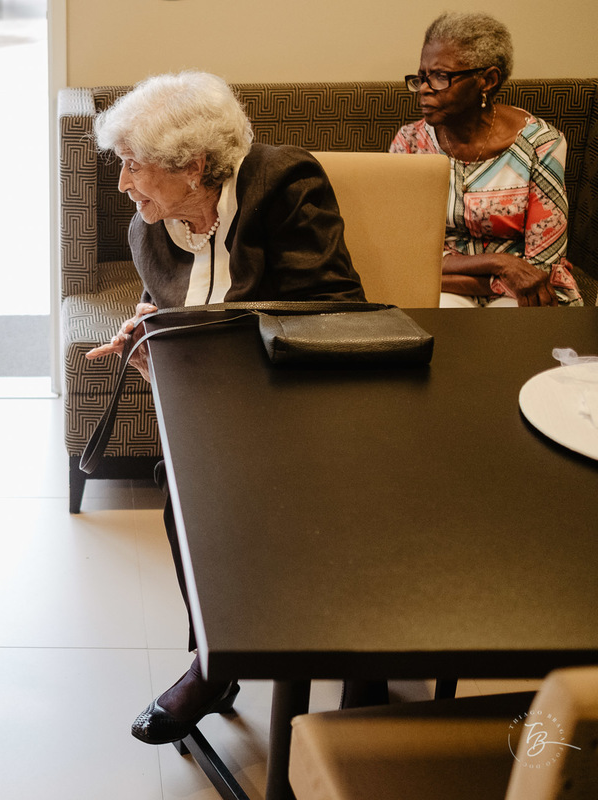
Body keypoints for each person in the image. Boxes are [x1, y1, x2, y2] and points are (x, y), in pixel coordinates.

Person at [85, 72, 366, 745]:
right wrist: (158, 342)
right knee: (185, 488)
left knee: (330, 501)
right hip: (226, 404)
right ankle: (216, 661)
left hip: (316, 399)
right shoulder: (149, 231)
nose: (124, 185)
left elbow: (330, 310)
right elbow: (189, 326)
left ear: (195, 166)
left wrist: (195, 332)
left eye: (133, 165)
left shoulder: (284, 183)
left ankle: (364, 663)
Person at [390, 11, 583, 307]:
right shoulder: (410, 143)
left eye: (441, 76)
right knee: (431, 317)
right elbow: (406, 254)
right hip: (465, 283)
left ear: (488, 80)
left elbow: (542, 268)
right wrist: (500, 264)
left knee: (515, 329)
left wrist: (440, 273)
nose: (425, 89)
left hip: (525, 290)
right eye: (422, 77)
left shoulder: (541, 144)